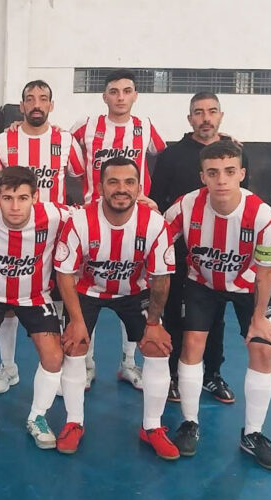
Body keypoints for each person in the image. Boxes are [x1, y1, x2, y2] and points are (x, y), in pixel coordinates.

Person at [164, 141, 271, 471]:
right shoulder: (185, 206)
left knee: (263, 348)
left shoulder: (264, 216)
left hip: (248, 287)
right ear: (202, 176)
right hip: (202, 284)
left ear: (241, 174)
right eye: (213, 173)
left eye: (230, 172)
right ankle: (189, 423)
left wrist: (259, 317)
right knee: (192, 345)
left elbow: (266, 270)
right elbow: (158, 236)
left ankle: (253, 434)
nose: (222, 180)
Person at [55, 157, 178, 457]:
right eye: (113, 182)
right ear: (99, 187)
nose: (121, 189)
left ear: (139, 188)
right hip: (87, 290)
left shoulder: (155, 225)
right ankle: (74, 422)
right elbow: (65, 274)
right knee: (74, 344)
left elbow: (161, 279)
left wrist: (154, 323)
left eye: (129, 182)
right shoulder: (80, 221)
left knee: (156, 348)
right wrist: (76, 319)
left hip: (134, 292)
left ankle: (151, 426)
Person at [0, 79, 84, 394]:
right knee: (10, 300)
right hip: (15, 233)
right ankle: (8, 367)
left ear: (51, 105)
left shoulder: (66, 141)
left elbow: (80, 185)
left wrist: (72, 219)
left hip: (56, 233)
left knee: (61, 298)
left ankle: (68, 366)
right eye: (30, 98)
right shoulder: (3, 141)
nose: (36, 103)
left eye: (43, 98)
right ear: (21, 105)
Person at [149, 91, 250, 403]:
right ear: (190, 118)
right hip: (180, 253)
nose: (205, 117)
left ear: (221, 115)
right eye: (199, 112)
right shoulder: (172, 155)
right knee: (178, 315)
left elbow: (244, 201)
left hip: (222, 254)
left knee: (215, 317)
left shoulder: (237, 154)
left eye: (212, 111)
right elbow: (158, 199)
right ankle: (175, 374)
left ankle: (211, 374)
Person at [71, 69, 166, 391]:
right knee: (88, 288)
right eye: (114, 91)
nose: (121, 97)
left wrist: (224, 139)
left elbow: (168, 155)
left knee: (133, 285)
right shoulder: (87, 127)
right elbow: (52, 139)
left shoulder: (146, 127)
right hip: (93, 221)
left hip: (133, 218)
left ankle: (128, 363)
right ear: (105, 96)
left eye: (127, 91)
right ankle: (87, 363)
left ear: (135, 95)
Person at [0, 167, 70, 450]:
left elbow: (94, 215)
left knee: (53, 357)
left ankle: (37, 416)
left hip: (35, 295)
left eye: (23, 198)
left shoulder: (54, 216)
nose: (15, 206)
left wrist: (142, 203)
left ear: (35, 197)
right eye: (8, 198)